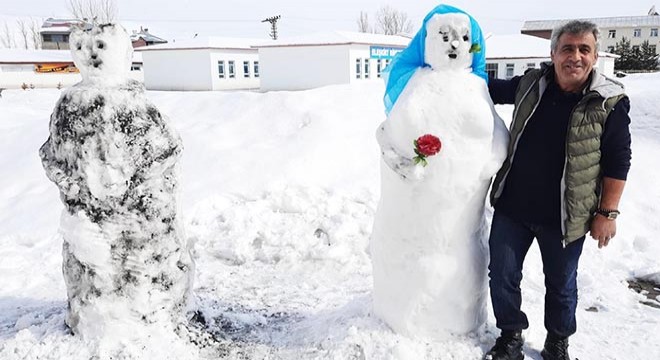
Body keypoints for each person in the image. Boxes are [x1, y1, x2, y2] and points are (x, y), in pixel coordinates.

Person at [483, 20, 631, 360]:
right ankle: (510, 335)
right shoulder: (531, 84)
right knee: (502, 275)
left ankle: (557, 342)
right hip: (513, 206)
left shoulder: (609, 101)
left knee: (561, 286)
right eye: (567, 48)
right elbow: (488, 88)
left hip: (566, 215)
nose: (575, 56)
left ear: (594, 57)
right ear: (553, 53)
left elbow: (618, 161)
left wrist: (607, 213)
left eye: (584, 49)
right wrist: (448, 73)